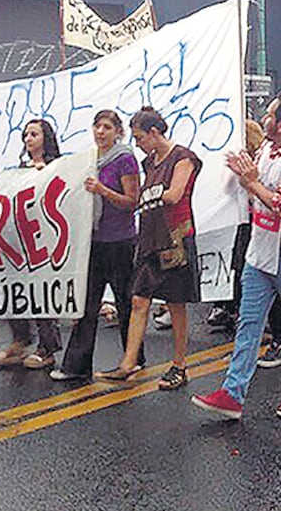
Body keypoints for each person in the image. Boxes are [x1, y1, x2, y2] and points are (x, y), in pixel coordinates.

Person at [191, 92, 281, 420]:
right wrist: (240, 173)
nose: (263, 118)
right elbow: (244, 190)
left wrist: (250, 181)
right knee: (248, 323)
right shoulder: (265, 150)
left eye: (270, 114)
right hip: (260, 252)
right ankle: (233, 393)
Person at [95, 107, 202, 391]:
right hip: (150, 236)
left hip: (175, 237)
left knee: (175, 304)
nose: (138, 142)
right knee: (139, 300)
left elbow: (174, 194)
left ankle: (179, 364)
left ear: (155, 133)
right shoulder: (149, 161)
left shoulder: (183, 157)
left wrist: (144, 195)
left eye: (140, 136)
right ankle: (128, 363)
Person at [50, 110, 143, 381]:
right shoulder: (90, 159)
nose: (100, 132)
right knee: (87, 303)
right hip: (94, 240)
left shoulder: (124, 159)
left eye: (107, 127)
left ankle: (133, 357)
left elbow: (131, 201)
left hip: (120, 241)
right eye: (97, 126)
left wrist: (103, 191)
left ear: (118, 132)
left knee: (125, 302)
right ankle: (76, 365)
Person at [0, 119, 64, 369]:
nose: (28, 139)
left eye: (34, 134)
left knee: (41, 292)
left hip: (43, 239)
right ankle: (20, 341)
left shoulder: (58, 165)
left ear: (46, 138)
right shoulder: (21, 168)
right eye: (25, 135)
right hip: (20, 238)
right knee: (15, 288)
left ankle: (47, 347)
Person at [207, 119, 265, 332]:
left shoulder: (261, 160)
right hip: (240, 221)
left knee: (248, 268)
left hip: (255, 221)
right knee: (238, 267)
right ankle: (234, 310)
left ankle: (249, 314)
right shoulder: (246, 162)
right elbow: (228, 187)